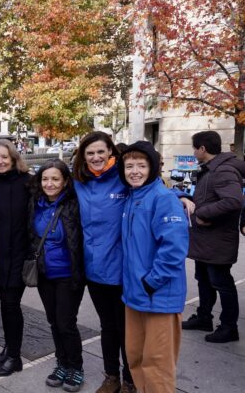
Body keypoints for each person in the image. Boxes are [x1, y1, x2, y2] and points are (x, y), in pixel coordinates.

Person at [119, 141, 189, 392]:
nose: (134, 171)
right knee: (136, 358)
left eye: (141, 165)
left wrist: (151, 282)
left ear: (152, 168)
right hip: (134, 296)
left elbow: (174, 249)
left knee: (157, 365)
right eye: (129, 166)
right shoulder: (132, 197)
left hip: (158, 296)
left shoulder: (163, 199)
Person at [72, 131, 135, 392]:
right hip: (94, 270)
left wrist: (182, 198)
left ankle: (131, 378)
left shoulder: (124, 178)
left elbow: (153, 193)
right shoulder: (78, 181)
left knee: (126, 329)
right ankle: (112, 377)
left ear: (111, 151)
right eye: (90, 153)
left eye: (101, 151)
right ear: (83, 156)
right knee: (107, 327)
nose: (96, 157)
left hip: (123, 269)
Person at [29, 159, 86, 392]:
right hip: (44, 274)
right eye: (45, 179)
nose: (49, 183)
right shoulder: (35, 203)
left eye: (55, 179)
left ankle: (76, 367)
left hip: (68, 274)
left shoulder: (75, 203)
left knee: (66, 322)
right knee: (54, 321)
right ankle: (61, 363)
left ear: (65, 182)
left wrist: (181, 196)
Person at [181, 131, 241, 343]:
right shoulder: (210, 170)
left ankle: (229, 327)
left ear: (202, 149)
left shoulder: (223, 171)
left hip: (217, 240)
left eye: (194, 148)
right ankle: (204, 317)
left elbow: (233, 201)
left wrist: (203, 214)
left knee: (221, 283)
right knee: (204, 280)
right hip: (205, 240)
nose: (194, 152)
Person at [0, 139, 31, 377]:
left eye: (4, 157)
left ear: (13, 158)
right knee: (4, 303)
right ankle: (10, 346)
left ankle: (15, 357)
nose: (0, 161)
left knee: (11, 305)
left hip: (20, 255)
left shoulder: (28, 183)